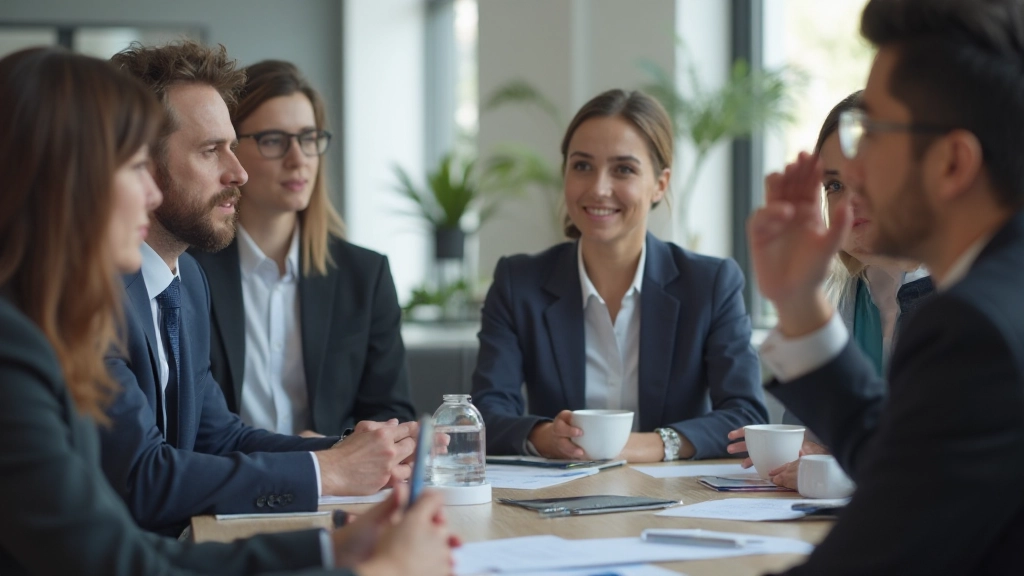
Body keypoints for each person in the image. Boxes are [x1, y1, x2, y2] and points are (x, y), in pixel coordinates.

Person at [0, 46, 455, 576]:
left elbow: (215, 440)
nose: (148, 193)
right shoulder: (24, 342)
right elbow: (123, 529)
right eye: (132, 167)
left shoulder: (180, 282)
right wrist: (364, 557)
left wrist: (335, 535)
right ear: (67, 182)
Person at [747, 0, 1024, 573]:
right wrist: (800, 307)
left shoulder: (977, 328)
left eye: (873, 133)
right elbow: (912, 470)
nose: (856, 170)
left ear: (952, 163)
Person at [100, 41, 417, 535]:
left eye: (232, 145)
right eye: (211, 151)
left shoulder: (188, 282)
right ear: (144, 163)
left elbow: (218, 437)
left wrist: (352, 451)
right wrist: (329, 471)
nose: (238, 172)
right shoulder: (95, 296)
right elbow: (141, 477)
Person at [471, 89, 768, 463]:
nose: (598, 188)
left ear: (660, 183)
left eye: (623, 169)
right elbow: (485, 413)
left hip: (674, 502)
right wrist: (546, 436)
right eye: (582, 166)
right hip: (556, 500)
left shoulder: (710, 284)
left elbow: (747, 416)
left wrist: (650, 445)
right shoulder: (519, 283)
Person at [190, 60, 414, 438]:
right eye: (274, 140)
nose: (299, 159)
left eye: (309, 139)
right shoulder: (190, 269)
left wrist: (331, 447)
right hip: (231, 484)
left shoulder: (364, 275)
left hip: (338, 490)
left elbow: (391, 412)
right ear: (231, 148)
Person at [726, 91, 935, 489]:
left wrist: (843, 464)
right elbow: (809, 433)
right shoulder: (840, 299)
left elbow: (936, 466)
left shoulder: (966, 303)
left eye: (868, 177)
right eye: (835, 185)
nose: (848, 203)